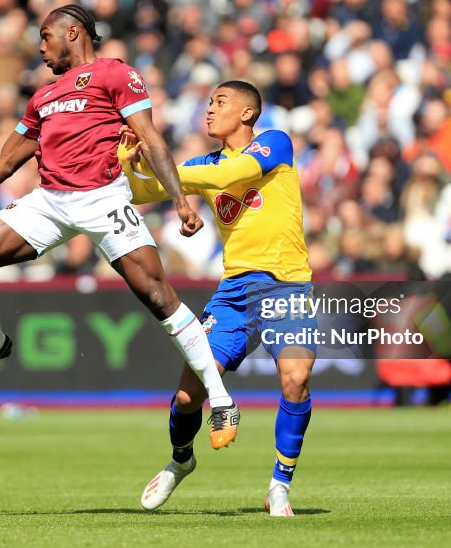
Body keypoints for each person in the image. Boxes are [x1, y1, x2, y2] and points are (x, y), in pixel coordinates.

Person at [0, 4, 239, 448]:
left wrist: (181, 202)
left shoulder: (114, 74)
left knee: (158, 296)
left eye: (46, 37)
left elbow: (151, 137)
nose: (41, 47)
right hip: (50, 201)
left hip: (103, 199)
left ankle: (221, 400)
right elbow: (5, 163)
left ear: (73, 32)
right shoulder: (42, 98)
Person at [118, 80, 314, 517]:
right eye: (207, 103)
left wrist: (165, 166)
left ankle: (280, 484)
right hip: (234, 292)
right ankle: (181, 459)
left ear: (247, 113)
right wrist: (129, 162)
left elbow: (228, 177)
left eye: (220, 103)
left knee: (296, 379)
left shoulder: (275, 143)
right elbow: (141, 192)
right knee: (189, 396)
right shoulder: (203, 162)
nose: (209, 110)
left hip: (287, 285)